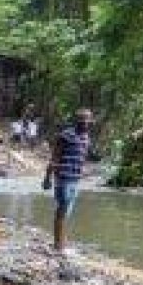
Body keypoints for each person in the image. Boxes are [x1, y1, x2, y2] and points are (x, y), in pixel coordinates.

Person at [43, 108, 94, 253]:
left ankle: (61, 243)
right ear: (76, 120)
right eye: (82, 119)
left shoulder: (86, 137)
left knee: (66, 212)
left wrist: (85, 171)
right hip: (63, 178)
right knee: (62, 209)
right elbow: (54, 157)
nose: (85, 122)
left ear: (91, 121)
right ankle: (58, 246)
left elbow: (82, 157)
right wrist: (47, 178)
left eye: (88, 120)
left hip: (75, 180)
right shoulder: (65, 136)